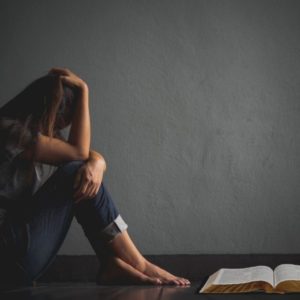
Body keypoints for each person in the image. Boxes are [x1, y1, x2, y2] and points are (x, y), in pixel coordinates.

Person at [0, 68, 190, 290]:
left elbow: (83, 155)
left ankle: (112, 263)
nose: (60, 130)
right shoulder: (8, 131)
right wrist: (84, 90)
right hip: (9, 255)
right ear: (49, 112)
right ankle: (139, 263)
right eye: (61, 122)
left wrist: (98, 162)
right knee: (78, 170)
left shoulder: (26, 136)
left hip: (16, 257)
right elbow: (79, 154)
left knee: (83, 171)